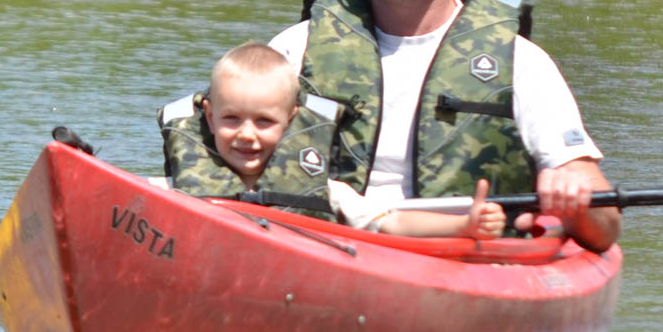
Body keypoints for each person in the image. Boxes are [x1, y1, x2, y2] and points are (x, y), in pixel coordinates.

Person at [266, 0, 619, 252]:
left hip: (462, 259)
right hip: (324, 247)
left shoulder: (521, 63)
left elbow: (605, 229)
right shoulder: (296, 49)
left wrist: (573, 192)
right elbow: (225, 158)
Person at [161, 43, 506, 238]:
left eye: (264, 122)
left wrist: (464, 224)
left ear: (291, 121)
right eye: (231, 119)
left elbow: (393, 223)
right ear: (209, 117)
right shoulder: (176, 188)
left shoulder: (330, 191)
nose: (247, 135)